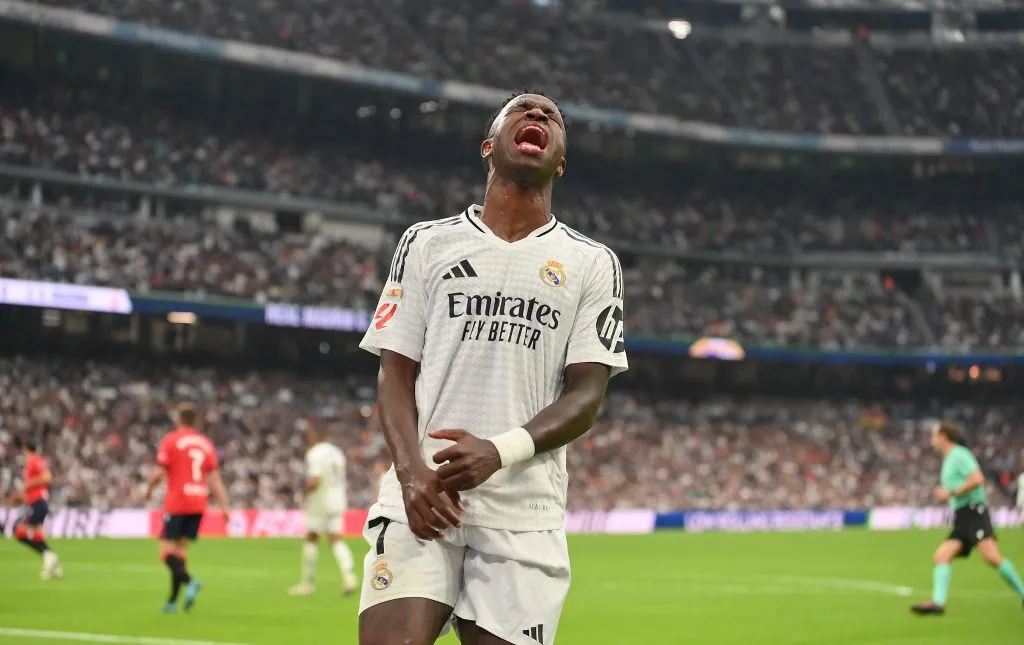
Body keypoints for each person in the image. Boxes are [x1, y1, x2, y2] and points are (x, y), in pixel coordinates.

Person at [357, 90, 628, 645]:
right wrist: (411, 474)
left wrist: (497, 451)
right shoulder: (426, 242)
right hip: (423, 496)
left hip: (523, 513)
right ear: (488, 146)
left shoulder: (593, 263)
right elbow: (394, 371)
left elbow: (586, 396)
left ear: (561, 162)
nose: (538, 114)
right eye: (522, 109)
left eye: (551, 115)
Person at [911, 422, 1024, 615]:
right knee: (941, 556)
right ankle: (938, 603)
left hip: (973, 512)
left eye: (933, 436)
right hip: (962, 516)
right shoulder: (949, 459)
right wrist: (947, 495)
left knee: (991, 556)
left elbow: (977, 478)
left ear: (943, 437)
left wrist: (951, 492)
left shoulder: (959, 455)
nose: (932, 441)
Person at [144, 404, 229, 614]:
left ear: (178, 419)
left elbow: (159, 472)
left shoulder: (172, 440)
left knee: (165, 551)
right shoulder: (205, 444)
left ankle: (191, 581)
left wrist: (148, 488)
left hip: (178, 502)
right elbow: (214, 478)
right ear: (195, 421)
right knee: (180, 552)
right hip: (199, 502)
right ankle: (172, 602)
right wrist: (224, 506)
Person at [288, 419, 358, 597]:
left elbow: (315, 480)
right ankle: (349, 577)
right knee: (337, 540)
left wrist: (303, 493)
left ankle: (307, 584)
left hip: (319, 502)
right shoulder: (337, 453)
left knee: (311, 538)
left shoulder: (315, 453)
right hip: (337, 500)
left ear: (315, 435)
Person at [9, 436, 62, 580]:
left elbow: (47, 478)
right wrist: (20, 497)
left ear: (25, 450)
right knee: (36, 533)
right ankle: (52, 561)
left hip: (38, 503)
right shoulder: (31, 463)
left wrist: (28, 484)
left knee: (18, 530)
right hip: (34, 503)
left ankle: (48, 555)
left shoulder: (36, 460)